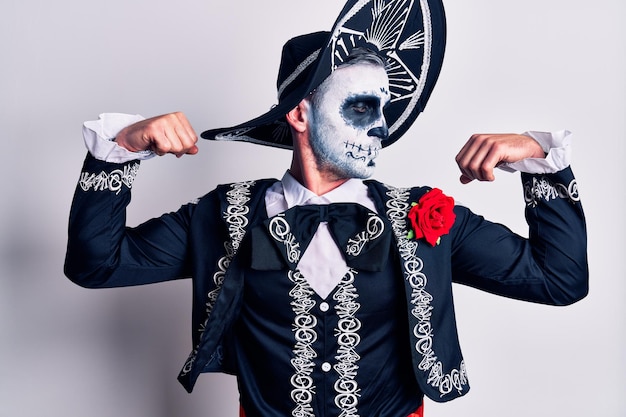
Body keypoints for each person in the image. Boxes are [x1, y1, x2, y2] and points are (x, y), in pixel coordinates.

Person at [64, 1, 588, 416]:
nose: (380, 126)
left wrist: (542, 160)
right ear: (299, 114)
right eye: (362, 107)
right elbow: (96, 264)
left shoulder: (424, 216)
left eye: (383, 109)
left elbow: (559, 279)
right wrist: (122, 149)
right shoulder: (224, 214)